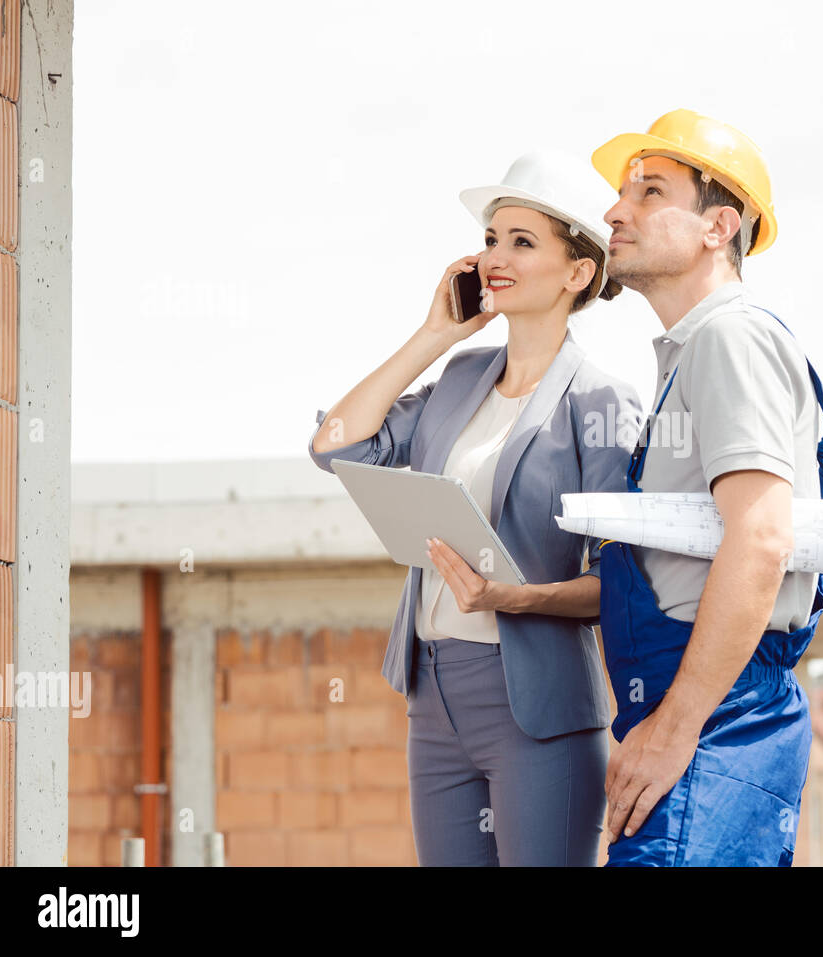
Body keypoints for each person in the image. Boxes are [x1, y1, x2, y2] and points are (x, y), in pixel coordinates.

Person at [308, 150, 644, 866]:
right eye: (492, 239)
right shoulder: (461, 376)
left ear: (578, 271)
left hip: (537, 705)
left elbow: (622, 581)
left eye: (522, 242)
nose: (496, 256)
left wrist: (513, 596)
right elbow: (335, 446)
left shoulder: (601, 402)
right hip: (434, 695)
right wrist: (435, 336)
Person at [588, 109, 823, 866]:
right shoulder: (689, 354)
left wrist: (674, 726)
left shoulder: (731, 338)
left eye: (649, 191)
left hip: (716, 716)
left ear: (717, 226)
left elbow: (760, 538)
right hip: (698, 709)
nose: (613, 210)